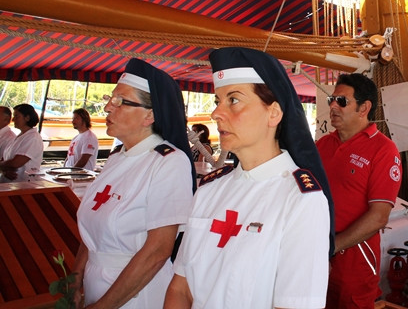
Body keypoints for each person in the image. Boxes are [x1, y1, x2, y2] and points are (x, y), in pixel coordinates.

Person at [165, 47, 333, 309]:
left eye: (233, 100)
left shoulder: (300, 201)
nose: (216, 113)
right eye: (217, 101)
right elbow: (180, 289)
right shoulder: (209, 190)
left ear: (273, 113)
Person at [72, 58, 195, 308]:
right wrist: (74, 281)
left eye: (120, 101)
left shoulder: (169, 162)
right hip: (96, 283)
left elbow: (158, 251)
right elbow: (92, 230)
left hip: (137, 294)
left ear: (150, 115)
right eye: (110, 98)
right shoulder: (116, 158)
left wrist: (102, 306)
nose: (108, 107)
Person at [316, 73, 402, 308]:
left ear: (364, 108)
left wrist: (332, 246)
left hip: (355, 255)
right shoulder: (322, 145)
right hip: (316, 250)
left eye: (342, 101)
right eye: (331, 100)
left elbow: (379, 217)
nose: (333, 106)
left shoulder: (384, 150)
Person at [0, 104, 44, 183]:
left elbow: (16, 163)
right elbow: (5, 159)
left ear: (27, 118)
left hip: (22, 184)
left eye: (16, 116)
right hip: (9, 183)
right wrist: (4, 169)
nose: (13, 119)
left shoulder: (33, 138)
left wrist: (2, 165)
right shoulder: (20, 136)